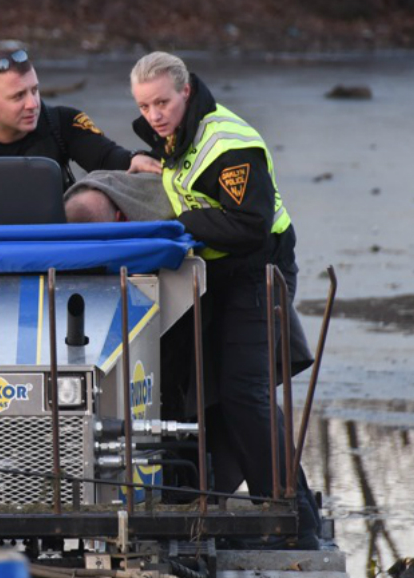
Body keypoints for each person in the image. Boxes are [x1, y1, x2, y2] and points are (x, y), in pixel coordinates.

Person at [124, 51, 320, 549]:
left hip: (260, 272)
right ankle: (207, 494)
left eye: (162, 102)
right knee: (211, 390)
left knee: (244, 394)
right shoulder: (176, 137)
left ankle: (292, 518)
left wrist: (180, 228)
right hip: (222, 276)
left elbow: (251, 224)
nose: (154, 115)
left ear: (186, 91)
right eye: (145, 107)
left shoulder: (226, 144)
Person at [0, 48, 161, 197]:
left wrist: (135, 159)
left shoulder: (62, 123)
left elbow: (107, 158)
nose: (33, 104)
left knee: (93, 200)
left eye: (35, 90)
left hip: (53, 245)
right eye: (18, 96)